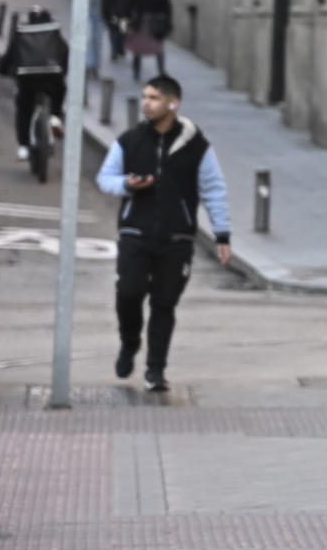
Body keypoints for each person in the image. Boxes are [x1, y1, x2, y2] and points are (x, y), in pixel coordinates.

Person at [97, 76, 233, 392]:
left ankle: (155, 370)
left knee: (164, 303)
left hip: (177, 238)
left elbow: (213, 189)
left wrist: (222, 235)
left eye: (154, 98)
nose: (146, 103)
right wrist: (127, 185)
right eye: (145, 97)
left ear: (173, 104)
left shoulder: (197, 146)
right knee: (128, 292)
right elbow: (105, 177)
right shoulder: (130, 140)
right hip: (135, 232)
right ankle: (130, 341)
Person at [0, 7, 68, 163]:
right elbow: (65, 53)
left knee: (24, 110)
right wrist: (62, 72)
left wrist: (4, 70)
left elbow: (9, 56)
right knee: (60, 90)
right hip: (51, 78)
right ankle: (55, 117)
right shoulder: (53, 33)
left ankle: (23, 146)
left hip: (27, 80)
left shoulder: (22, 33)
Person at [126, 0, 173, 81]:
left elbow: (167, 8)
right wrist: (130, 18)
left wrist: (167, 23)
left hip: (156, 22)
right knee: (138, 48)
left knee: (158, 48)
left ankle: (161, 71)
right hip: (142, 21)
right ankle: (136, 71)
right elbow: (132, 4)